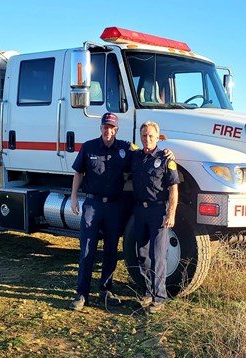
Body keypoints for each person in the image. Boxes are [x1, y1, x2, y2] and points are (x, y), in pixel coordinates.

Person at [68, 112, 130, 311]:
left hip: (114, 206)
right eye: (105, 127)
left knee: (111, 250)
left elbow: (145, 154)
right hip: (92, 206)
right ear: (101, 128)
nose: (107, 130)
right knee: (87, 250)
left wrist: (166, 153)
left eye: (111, 127)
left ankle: (105, 290)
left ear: (116, 129)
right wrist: (74, 196)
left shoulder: (126, 148)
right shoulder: (89, 147)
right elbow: (79, 172)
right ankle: (82, 294)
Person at [131, 121, 180, 314]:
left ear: (158, 137)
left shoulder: (166, 158)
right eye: (144, 135)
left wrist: (171, 213)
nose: (147, 139)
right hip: (139, 211)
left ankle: (159, 297)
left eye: (151, 136)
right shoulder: (135, 157)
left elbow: (173, 188)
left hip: (158, 212)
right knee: (142, 254)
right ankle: (148, 291)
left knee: (157, 255)